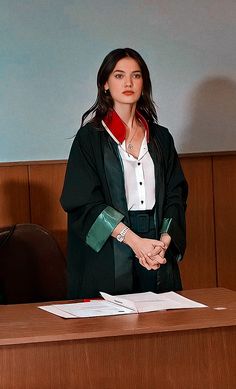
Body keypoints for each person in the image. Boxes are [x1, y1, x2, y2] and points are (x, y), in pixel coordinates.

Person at [60, 48, 188, 299]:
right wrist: (134, 242)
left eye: (136, 76)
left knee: (162, 325)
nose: (128, 83)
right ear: (105, 84)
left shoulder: (161, 138)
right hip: (112, 244)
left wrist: (162, 242)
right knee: (114, 328)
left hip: (155, 244)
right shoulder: (90, 139)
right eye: (119, 76)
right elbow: (83, 202)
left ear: (144, 83)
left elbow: (176, 194)